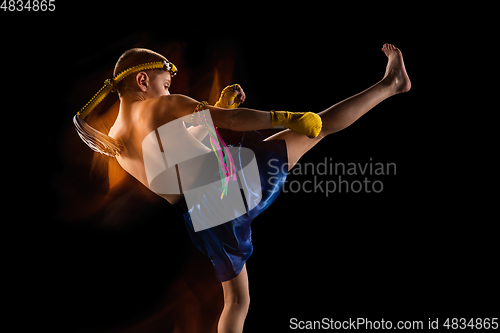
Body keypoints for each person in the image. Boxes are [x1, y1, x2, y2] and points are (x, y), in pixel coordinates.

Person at [73, 43, 410, 333]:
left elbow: (176, 163)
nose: (168, 89)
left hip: (205, 219)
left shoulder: (114, 144)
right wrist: (287, 117)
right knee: (318, 128)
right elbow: (232, 122)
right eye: (165, 83)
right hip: (232, 185)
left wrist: (217, 109)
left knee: (236, 301)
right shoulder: (162, 105)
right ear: (142, 80)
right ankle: (390, 84)